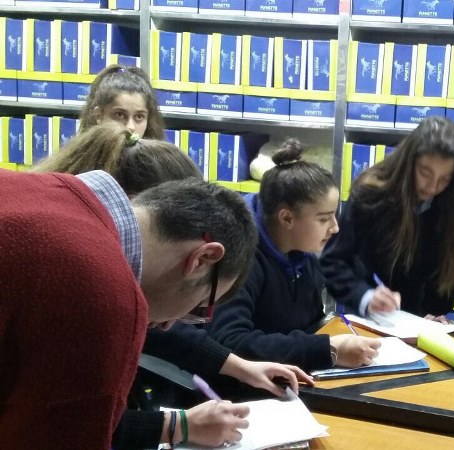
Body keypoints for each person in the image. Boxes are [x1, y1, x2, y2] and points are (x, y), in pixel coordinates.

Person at [33, 122, 314, 449]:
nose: (169, 324)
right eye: (199, 307)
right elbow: (64, 424)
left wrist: (237, 366)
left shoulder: (61, 207)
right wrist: (176, 425)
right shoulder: (86, 279)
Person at [0, 159, 259, 448]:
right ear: (202, 259)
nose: (169, 325)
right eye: (200, 307)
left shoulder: (52, 188)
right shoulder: (103, 293)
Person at [209, 139, 382, 371]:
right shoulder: (241, 259)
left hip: (293, 373)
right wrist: (326, 349)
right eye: (324, 219)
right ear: (287, 218)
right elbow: (230, 342)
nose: (335, 227)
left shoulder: (302, 250)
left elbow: (308, 324)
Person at [320, 116, 454, 321]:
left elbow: (445, 286)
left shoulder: (452, 208)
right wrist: (366, 297)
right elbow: (333, 262)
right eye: (425, 173)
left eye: (444, 179)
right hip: (370, 320)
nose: (432, 187)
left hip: (419, 325)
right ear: (409, 162)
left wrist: (435, 315)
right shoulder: (370, 195)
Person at [79, 64, 165, 139]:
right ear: (99, 116)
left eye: (139, 117)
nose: (131, 127)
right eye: (120, 115)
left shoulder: (160, 153)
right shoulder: (78, 153)